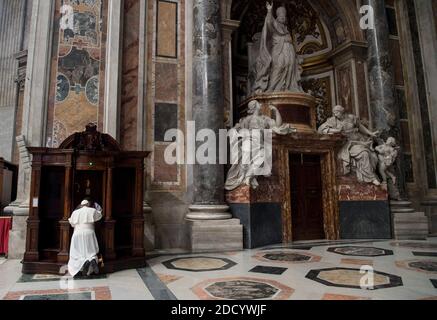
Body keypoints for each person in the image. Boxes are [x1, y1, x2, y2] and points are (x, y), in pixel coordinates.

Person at [318, 105, 381, 185]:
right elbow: (321, 129)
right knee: (364, 153)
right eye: (334, 113)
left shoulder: (351, 118)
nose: (335, 115)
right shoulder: (332, 120)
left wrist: (370, 133)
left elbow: (360, 126)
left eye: (336, 113)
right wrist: (336, 130)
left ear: (342, 112)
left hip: (358, 140)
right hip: (345, 144)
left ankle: (370, 176)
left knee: (371, 154)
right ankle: (371, 178)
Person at [252, 2, 302, 93]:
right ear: (277, 16)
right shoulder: (275, 24)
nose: (283, 17)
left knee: (289, 66)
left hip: (289, 50)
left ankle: (288, 87)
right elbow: (268, 22)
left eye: (284, 16)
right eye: (281, 15)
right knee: (278, 66)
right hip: (278, 50)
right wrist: (269, 11)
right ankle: (272, 87)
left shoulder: (285, 28)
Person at [68, 199, 102, 277]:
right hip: (89, 232)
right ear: (88, 204)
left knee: (77, 252)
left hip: (77, 233)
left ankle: (81, 265)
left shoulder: (75, 212)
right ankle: (92, 259)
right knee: (91, 250)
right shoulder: (92, 210)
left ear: (81, 205)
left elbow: (72, 223)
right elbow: (99, 216)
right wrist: (99, 209)